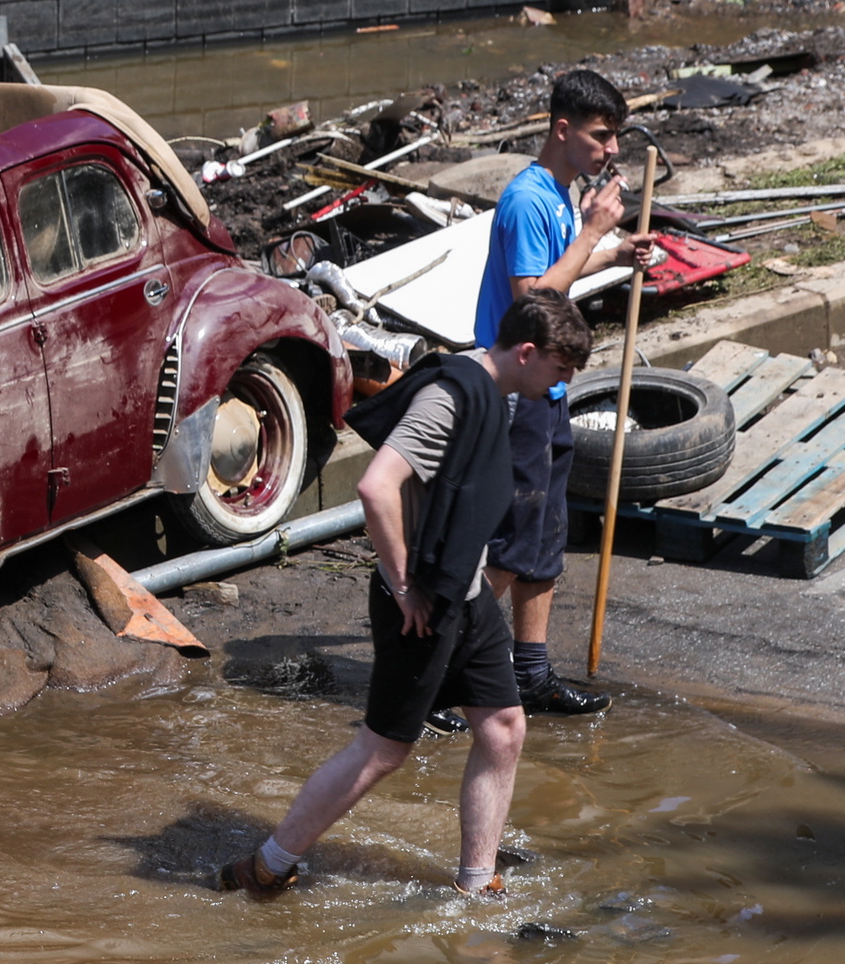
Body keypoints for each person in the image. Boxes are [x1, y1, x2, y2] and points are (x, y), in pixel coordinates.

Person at [217, 289, 592, 897]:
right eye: (560, 371)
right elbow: (376, 486)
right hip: (421, 606)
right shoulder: (449, 399)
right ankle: (267, 865)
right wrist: (403, 587)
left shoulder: (495, 389)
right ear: (527, 353)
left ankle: (476, 883)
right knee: (382, 751)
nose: (560, 385)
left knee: (502, 727)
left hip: (465, 593)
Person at [471, 70, 654, 718]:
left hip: (549, 387)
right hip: (518, 387)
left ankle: (531, 672)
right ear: (562, 129)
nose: (610, 150)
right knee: (513, 537)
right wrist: (591, 232)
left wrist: (614, 252)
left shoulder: (558, 194)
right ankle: (440, 669)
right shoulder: (528, 199)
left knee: (545, 536)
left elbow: (563, 274)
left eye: (614, 137)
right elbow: (534, 306)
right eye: (601, 136)